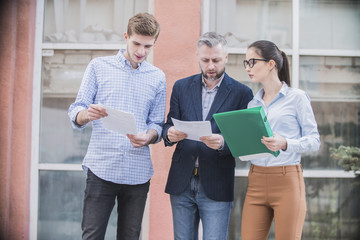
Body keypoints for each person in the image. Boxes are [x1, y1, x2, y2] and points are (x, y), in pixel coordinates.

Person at [67, 13, 166, 240]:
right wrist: (86, 114)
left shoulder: (158, 78)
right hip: (101, 167)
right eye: (136, 43)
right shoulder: (98, 67)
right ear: (126, 37)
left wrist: (149, 136)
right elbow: (76, 109)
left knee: (130, 237)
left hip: (137, 172)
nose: (141, 51)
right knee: (92, 235)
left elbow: (157, 124)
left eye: (148, 46)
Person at [162, 32, 253, 240]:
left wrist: (222, 143)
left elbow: (244, 142)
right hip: (181, 181)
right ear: (198, 57)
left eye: (216, 60)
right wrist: (170, 133)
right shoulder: (181, 87)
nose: (210, 66)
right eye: (205, 60)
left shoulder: (242, 94)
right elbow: (168, 124)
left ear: (227, 57)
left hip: (217, 182)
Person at [241, 40, 320, 240]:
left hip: (287, 181)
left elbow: (314, 141)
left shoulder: (297, 98)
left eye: (252, 62)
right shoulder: (252, 104)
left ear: (271, 64)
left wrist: (285, 143)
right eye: (246, 63)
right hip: (256, 179)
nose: (248, 68)